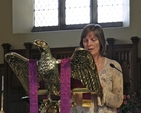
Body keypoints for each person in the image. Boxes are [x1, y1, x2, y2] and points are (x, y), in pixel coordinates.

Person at [70, 24, 123, 113]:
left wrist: (102, 91)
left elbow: (118, 101)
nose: (89, 44)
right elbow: (68, 99)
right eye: (85, 41)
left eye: (93, 40)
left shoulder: (113, 66)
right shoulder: (75, 67)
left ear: (101, 42)